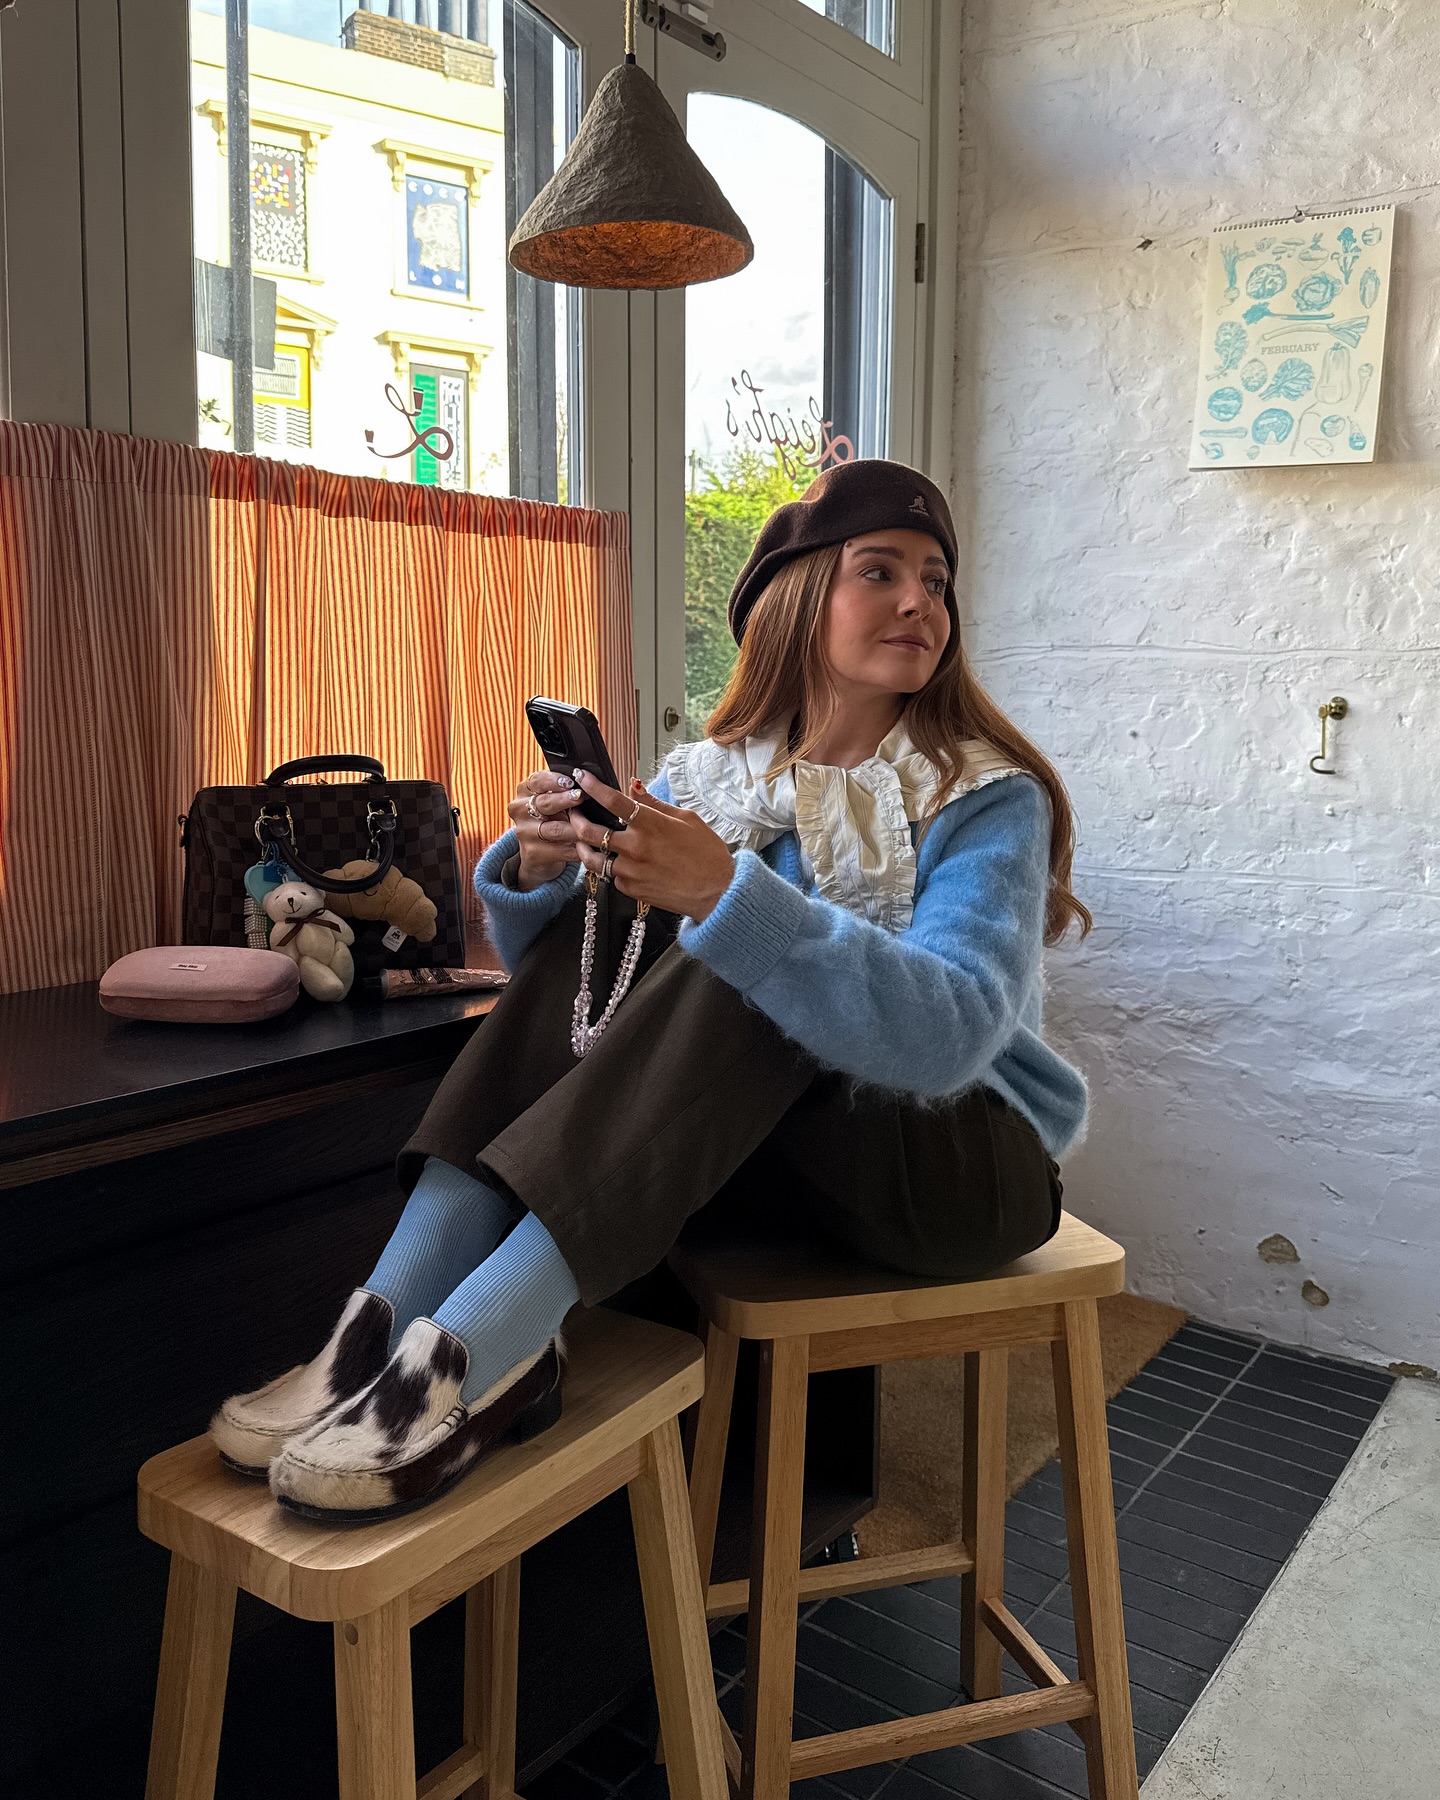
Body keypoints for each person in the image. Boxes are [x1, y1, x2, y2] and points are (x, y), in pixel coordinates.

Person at [211, 459, 1092, 1524]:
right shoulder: (711, 778)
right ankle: (378, 1327)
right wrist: (542, 872)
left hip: (959, 1165)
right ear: (798, 601)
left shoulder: (984, 795)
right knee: (643, 907)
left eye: (937, 580)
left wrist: (732, 895)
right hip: (774, 1159)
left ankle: (483, 1345)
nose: (920, 601)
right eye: (881, 571)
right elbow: (593, 982)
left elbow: (949, 1038)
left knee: (748, 937)